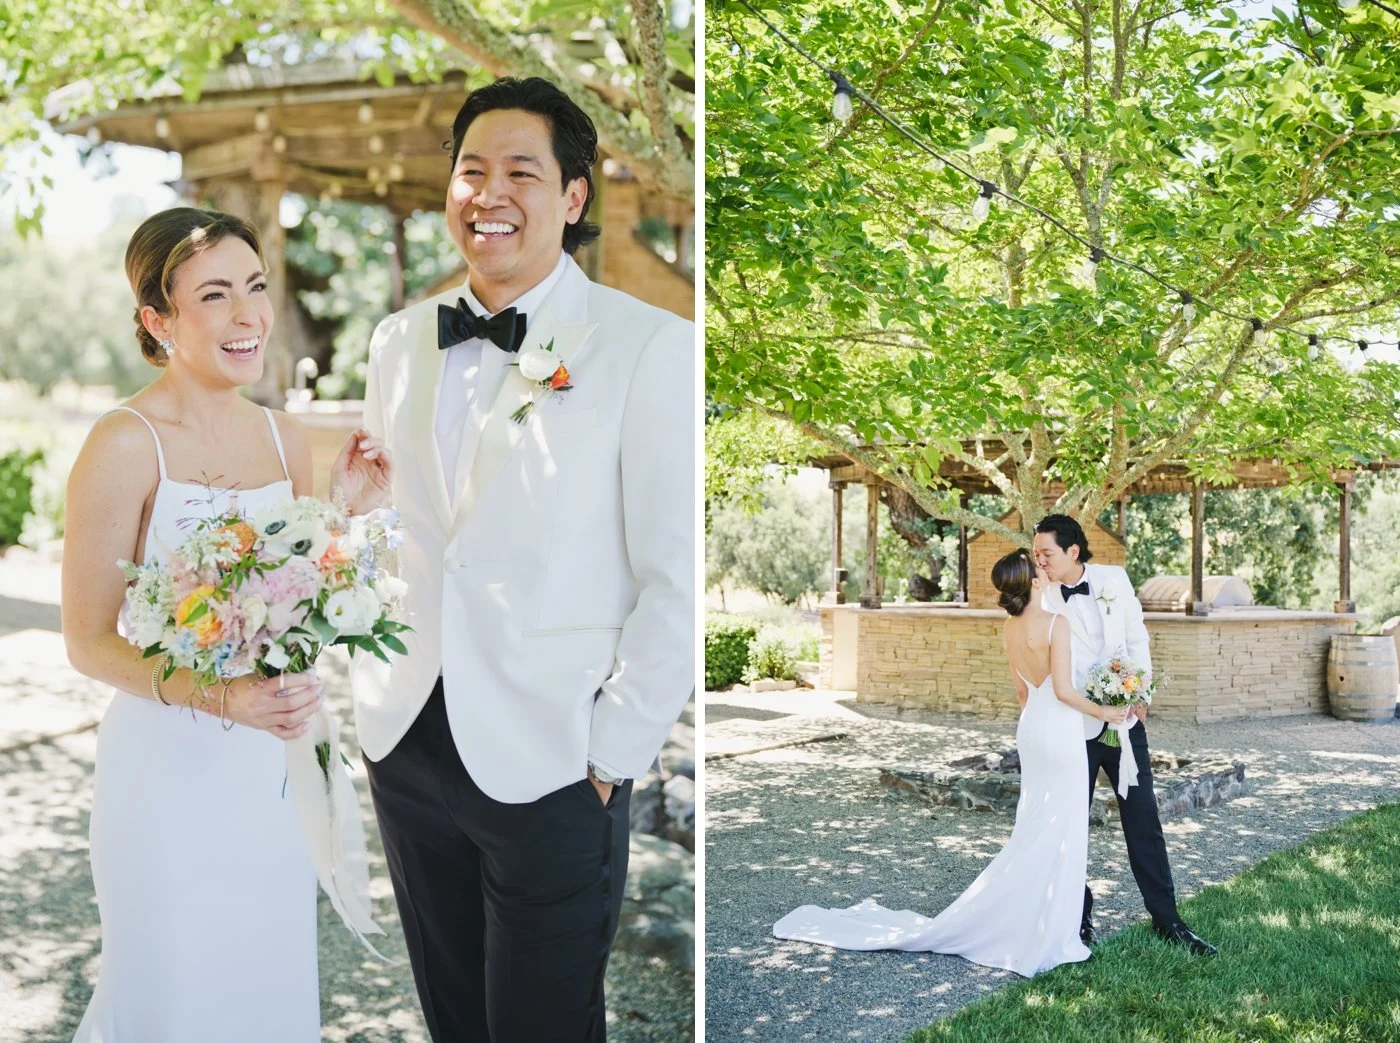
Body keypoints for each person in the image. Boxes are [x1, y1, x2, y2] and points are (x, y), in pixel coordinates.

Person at [350, 76, 695, 1041]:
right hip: (408, 736)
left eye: (520, 172)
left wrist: (612, 751)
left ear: (573, 197)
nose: (488, 193)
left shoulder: (649, 347)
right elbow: (389, 523)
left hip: (556, 756)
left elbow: (673, 578)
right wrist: (365, 677)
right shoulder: (396, 341)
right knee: (454, 1019)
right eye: (471, 170)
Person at [62, 206, 391, 1042]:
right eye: (215, 294)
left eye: (255, 286)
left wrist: (341, 513)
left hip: (268, 772)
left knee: (263, 983)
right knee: (172, 989)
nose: (248, 315)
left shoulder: (285, 438)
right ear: (158, 321)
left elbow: (280, 589)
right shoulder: (124, 443)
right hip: (165, 774)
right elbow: (88, 639)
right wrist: (223, 697)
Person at [773, 550, 1127, 977]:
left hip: (1032, 728)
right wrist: (1109, 714)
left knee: (1035, 824)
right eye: (1039, 568)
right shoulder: (1057, 623)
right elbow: (1067, 693)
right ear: (1032, 582)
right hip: (1061, 729)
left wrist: (1044, 721)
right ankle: (1048, 929)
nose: (1044, 569)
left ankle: (1033, 917)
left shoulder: (1010, 627)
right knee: (1063, 827)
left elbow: (1023, 694)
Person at [1032, 513, 1217, 956]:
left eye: (1046, 553)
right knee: (1072, 824)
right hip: (1071, 725)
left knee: (1143, 820)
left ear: (1073, 551)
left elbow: (1137, 638)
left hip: (1124, 724)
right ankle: (1078, 917)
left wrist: (1141, 691)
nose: (1039, 561)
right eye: (1036, 553)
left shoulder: (1114, 578)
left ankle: (1168, 919)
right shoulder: (1040, 596)